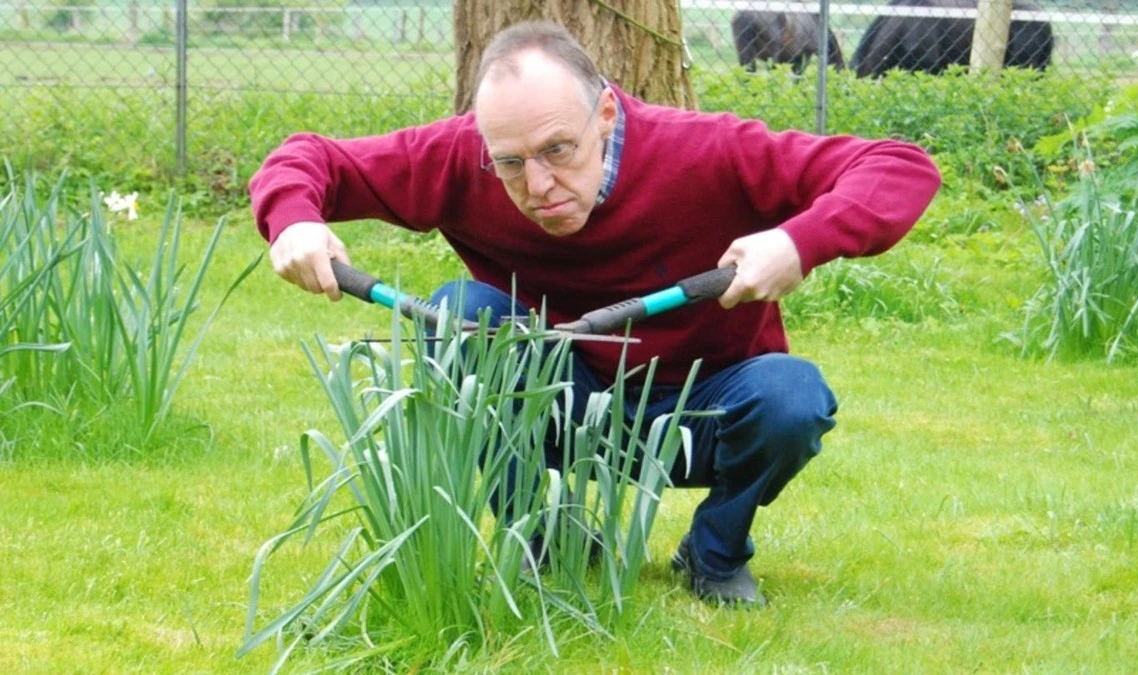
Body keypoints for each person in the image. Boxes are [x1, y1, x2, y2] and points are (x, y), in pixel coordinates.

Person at [250, 20, 941, 607]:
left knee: (794, 396)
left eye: (558, 151)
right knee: (461, 315)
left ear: (606, 114)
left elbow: (901, 166)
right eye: (512, 163)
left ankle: (714, 553)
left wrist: (797, 240)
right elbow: (309, 158)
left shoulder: (706, 152)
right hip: (562, 402)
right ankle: (547, 542)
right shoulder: (464, 159)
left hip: (697, 412)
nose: (540, 185)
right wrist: (294, 221)